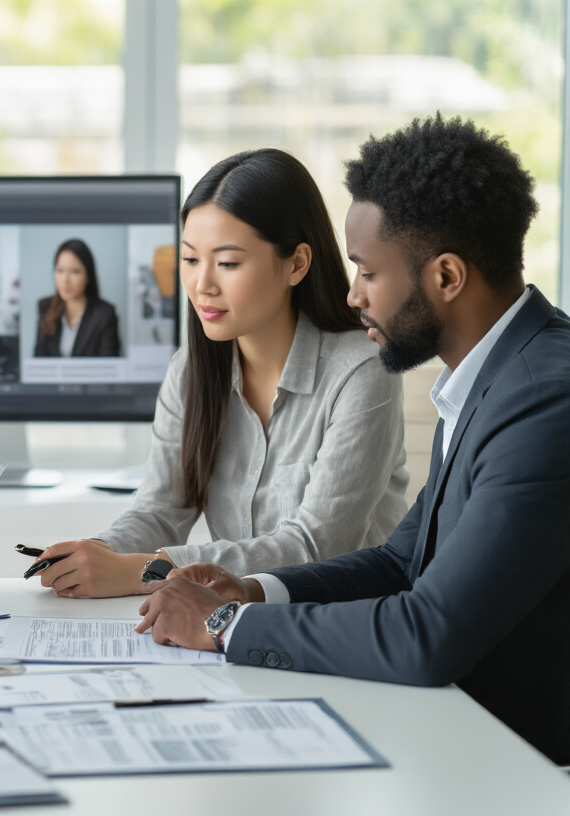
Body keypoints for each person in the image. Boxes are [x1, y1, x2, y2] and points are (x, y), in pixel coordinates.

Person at [136, 115, 570, 765]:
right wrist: (250, 591)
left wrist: (223, 626)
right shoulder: (490, 375)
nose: (351, 295)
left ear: (446, 278)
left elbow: (427, 634)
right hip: (460, 735)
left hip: (523, 765)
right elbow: (400, 563)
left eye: (368, 273)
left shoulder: (545, 398)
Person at [31, 149, 408, 599]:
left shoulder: (362, 371)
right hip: (230, 625)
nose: (202, 285)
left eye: (227, 263)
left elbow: (317, 545)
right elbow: (161, 510)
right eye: (190, 260)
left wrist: (143, 571)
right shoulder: (191, 369)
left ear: (296, 264)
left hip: (343, 624)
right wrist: (93, 554)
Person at [34, 239, 121, 357]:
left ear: (88, 276)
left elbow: (110, 366)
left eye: (75, 272)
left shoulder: (105, 314)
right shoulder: (45, 308)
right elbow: (38, 362)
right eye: (60, 271)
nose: (65, 280)